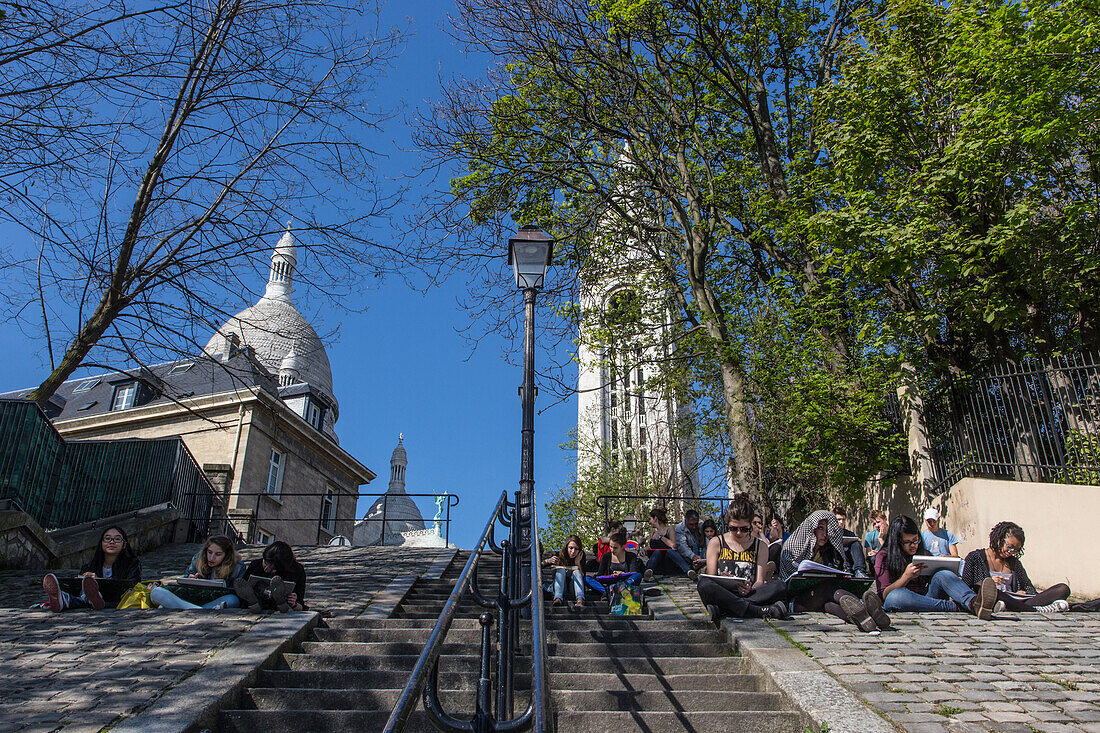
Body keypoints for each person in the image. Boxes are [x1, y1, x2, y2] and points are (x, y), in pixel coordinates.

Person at [780, 510, 889, 632]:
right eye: (820, 528)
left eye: (828, 530)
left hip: (820, 598)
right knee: (827, 588)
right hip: (796, 601)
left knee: (830, 605)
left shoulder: (827, 550)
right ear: (812, 528)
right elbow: (788, 580)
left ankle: (866, 620)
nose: (825, 534)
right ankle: (864, 605)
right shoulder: (793, 547)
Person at [875, 515, 996, 618]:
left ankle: (973, 602)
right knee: (895, 597)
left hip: (927, 597)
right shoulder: (884, 556)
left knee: (942, 573)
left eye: (915, 540)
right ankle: (956, 607)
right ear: (896, 542)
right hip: (905, 599)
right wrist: (906, 577)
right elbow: (884, 595)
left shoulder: (924, 553)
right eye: (907, 542)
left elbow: (938, 581)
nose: (913, 545)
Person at [696, 494, 788, 622]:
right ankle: (756, 611)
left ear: (750, 525)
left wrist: (750, 589)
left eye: (744, 529)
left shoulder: (760, 546)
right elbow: (711, 577)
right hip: (724, 592)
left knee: (779, 585)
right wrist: (723, 579)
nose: (739, 533)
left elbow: (759, 581)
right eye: (734, 528)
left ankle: (727, 609)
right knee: (704, 584)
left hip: (750, 593)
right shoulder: (717, 542)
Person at [961, 522, 1071, 613]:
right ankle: (1035, 610)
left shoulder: (1014, 563)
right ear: (999, 539)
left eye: (1015, 550)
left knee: (1063, 589)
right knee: (994, 592)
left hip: (1017, 601)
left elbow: (1029, 588)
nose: (1010, 552)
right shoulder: (975, 557)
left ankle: (1016, 608)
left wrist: (1022, 593)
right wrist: (987, 583)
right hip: (993, 598)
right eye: (1009, 547)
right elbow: (966, 588)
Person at [42, 526, 143, 612]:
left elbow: (131, 587)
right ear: (101, 543)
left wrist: (100, 581)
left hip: (115, 600)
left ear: (124, 544)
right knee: (84, 592)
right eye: (107, 539)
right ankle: (87, 600)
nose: (111, 542)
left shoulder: (132, 565)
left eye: (117, 539)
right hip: (88, 597)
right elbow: (79, 589)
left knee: (83, 599)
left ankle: (66, 600)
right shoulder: (89, 566)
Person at [150, 535, 245, 610]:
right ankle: (201, 610)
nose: (212, 558)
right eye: (209, 552)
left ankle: (183, 608)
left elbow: (238, 594)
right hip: (192, 600)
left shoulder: (237, 567)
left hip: (214, 600)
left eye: (218, 554)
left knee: (233, 600)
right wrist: (189, 580)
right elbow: (182, 585)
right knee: (156, 592)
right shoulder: (198, 559)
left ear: (227, 555)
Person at [235, 541, 307, 612]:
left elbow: (300, 605)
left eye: (273, 569)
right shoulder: (255, 565)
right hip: (258, 599)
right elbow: (242, 590)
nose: (266, 569)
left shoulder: (296, 570)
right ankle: (254, 603)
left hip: (279, 604)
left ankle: (280, 602)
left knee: (288, 608)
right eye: (265, 563)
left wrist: (294, 603)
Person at [642, 507, 696, 580]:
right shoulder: (652, 534)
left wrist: (661, 537)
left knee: (669, 551)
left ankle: (688, 571)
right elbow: (652, 549)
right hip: (658, 562)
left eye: (650, 519)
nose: (650, 522)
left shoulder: (669, 529)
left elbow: (673, 545)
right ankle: (648, 571)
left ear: (655, 519)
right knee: (657, 551)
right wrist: (644, 550)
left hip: (669, 561)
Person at [542, 535, 587, 607]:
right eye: (571, 548)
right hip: (560, 587)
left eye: (576, 549)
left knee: (577, 572)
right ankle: (557, 598)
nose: (573, 551)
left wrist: (578, 563)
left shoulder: (581, 556)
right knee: (561, 570)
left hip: (573, 588)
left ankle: (580, 599)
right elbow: (540, 565)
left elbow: (582, 576)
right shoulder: (559, 555)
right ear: (566, 547)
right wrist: (548, 561)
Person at [833, 506, 870, 577]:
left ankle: (859, 571)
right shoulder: (829, 533)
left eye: (843, 519)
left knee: (856, 543)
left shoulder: (849, 534)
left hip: (849, 561)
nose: (841, 522)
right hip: (837, 562)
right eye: (839, 519)